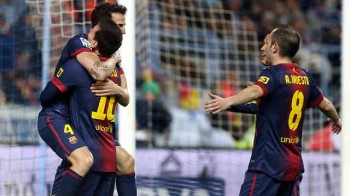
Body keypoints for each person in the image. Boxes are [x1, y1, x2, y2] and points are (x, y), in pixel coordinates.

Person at [204, 26, 342, 196]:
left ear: (275, 48)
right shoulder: (305, 76)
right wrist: (336, 120)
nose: (262, 47)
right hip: (293, 166)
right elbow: (327, 105)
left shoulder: (273, 74)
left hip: (267, 164)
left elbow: (255, 91)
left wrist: (228, 101)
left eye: (266, 43)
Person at [47, 2, 137, 195]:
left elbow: (126, 97)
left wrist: (117, 90)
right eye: (120, 25)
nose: (125, 31)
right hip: (63, 115)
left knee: (125, 160)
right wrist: (113, 61)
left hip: (90, 120)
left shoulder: (110, 54)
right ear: (104, 25)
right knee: (83, 160)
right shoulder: (82, 42)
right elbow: (98, 73)